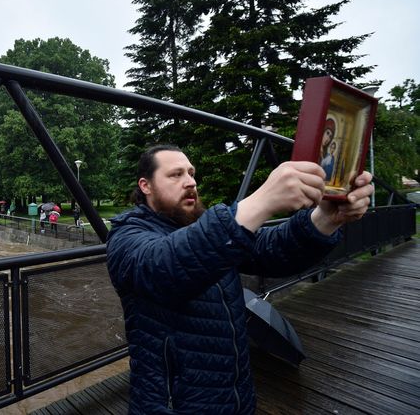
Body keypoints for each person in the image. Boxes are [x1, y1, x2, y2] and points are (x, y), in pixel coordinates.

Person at [106, 144, 373, 414]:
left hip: (237, 396)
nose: (190, 182)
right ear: (146, 186)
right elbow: (162, 267)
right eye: (175, 175)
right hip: (174, 404)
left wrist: (325, 218)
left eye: (191, 173)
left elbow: (269, 250)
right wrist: (263, 201)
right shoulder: (127, 236)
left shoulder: (204, 228)